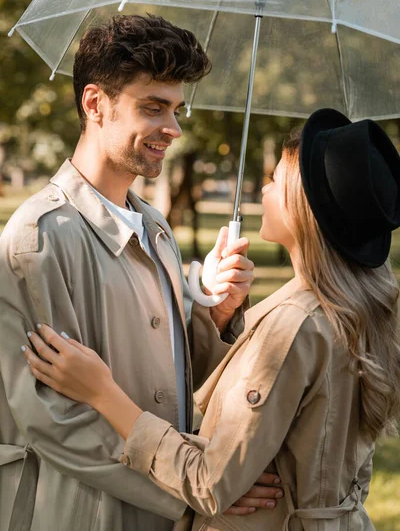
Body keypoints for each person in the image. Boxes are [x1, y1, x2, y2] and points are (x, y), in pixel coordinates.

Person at [23, 108, 400, 530]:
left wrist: (102, 393)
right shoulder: (358, 308)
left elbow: (211, 483)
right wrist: (219, 315)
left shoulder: (295, 324)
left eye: (275, 179)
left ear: (302, 205)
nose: (263, 187)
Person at [0, 15, 283, 531]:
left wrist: (214, 318)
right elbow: (50, 418)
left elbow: (170, 380)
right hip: (81, 514)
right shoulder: (37, 239)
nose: (172, 128)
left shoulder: (155, 226)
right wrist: (194, 488)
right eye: (152, 108)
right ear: (94, 104)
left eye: (176, 109)